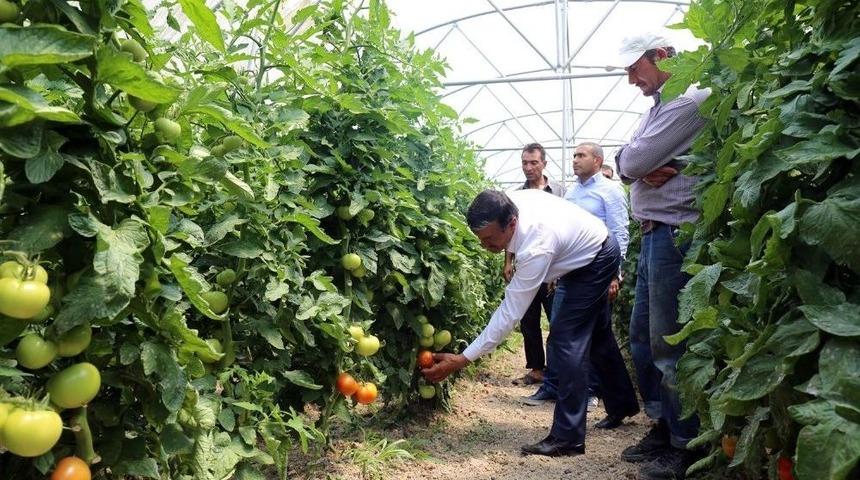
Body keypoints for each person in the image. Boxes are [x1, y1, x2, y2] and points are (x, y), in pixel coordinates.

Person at [422, 189, 635, 457]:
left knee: (566, 341)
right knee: (599, 335)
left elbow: (510, 313)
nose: (484, 246)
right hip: (589, 247)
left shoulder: (536, 245)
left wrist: (464, 358)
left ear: (511, 223)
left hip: (594, 259)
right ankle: (622, 403)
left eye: (489, 239)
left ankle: (568, 438)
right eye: (480, 239)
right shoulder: (506, 203)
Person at [609, 32, 711, 479]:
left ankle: (686, 447)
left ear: (663, 55)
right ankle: (663, 424)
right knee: (643, 341)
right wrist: (635, 165)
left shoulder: (690, 101)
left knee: (671, 345)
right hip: (654, 235)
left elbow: (630, 165)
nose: (631, 78)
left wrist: (636, 167)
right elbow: (625, 159)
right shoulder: (657, 111)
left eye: (635, 67)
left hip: (676, 234)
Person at [523, 142, 640, 429]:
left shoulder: (609, 190)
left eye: (581, 155)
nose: (575, 160)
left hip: (597, 272)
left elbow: (619, 232)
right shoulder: (573, 192)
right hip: (573, 274)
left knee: (567, 337)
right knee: (599, 341)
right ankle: (620, 404)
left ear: (597, 161)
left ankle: (574, 408)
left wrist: (615, 274)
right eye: (574, 155)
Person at [506, 143, 566, 387]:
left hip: (553, 268)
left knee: (557, 319)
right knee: (528, 320)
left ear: (544, 163)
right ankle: (537, 369)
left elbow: (564, 229)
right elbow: (511, 231)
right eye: (524, 163)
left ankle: (557, 370)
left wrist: (559, 270)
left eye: (533, 162)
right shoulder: (517, 195)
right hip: (527, 266)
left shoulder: (560, 192)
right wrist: (508, 261)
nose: (528, 167)